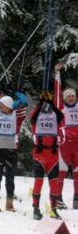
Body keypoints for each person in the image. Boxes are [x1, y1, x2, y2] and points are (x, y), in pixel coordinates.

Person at [28, 91, 65, 219]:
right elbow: (32, 118)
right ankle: (35, 209)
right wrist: (40, 104)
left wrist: (52, 104)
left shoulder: (56, 115)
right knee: (38, 182)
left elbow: (61, 116)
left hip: (53, 155)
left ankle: (53, 210)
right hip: (39, 154)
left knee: (54, 184)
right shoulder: (36, 116)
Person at [54, 64, 77, 208]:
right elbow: (57, 93)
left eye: (73, 96)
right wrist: (57, 73)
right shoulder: (61, 107)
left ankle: (77, 200)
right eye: (68, 96)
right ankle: (58, 198)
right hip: (64, 144)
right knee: (61, 173)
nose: (70, 98)